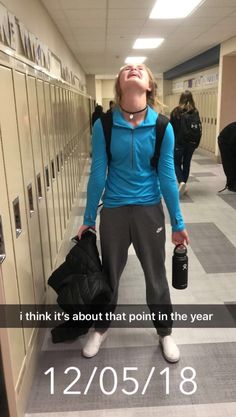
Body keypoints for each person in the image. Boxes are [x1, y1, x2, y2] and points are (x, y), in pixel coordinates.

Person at [78, 64, 189, 362]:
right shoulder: (104, 125)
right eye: (126, 68)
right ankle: (100, 328)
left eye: (141, 68)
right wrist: (89, 219)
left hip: (149, 210)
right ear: (119, 84)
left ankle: (165, 331)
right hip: (114, 211)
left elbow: (167, 176)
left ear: (150, 85)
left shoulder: (163, 126)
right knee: (110, 274)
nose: (133, 68)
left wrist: (178, 223)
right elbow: (98, 172)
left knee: (156, 276)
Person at [170, 90, 201, 195]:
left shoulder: (176, 111)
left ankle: (181, 182)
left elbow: (171, 129)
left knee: (176, 163)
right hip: (191, 143)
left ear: (180, 98)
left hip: (179, 142)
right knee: (187, 163)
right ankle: (184, 184)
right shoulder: (195, 111)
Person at [218, 121, 236, 192]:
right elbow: (232, 143)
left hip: (231, 142)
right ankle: (231, 184)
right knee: (229, 164)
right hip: (224, 142)